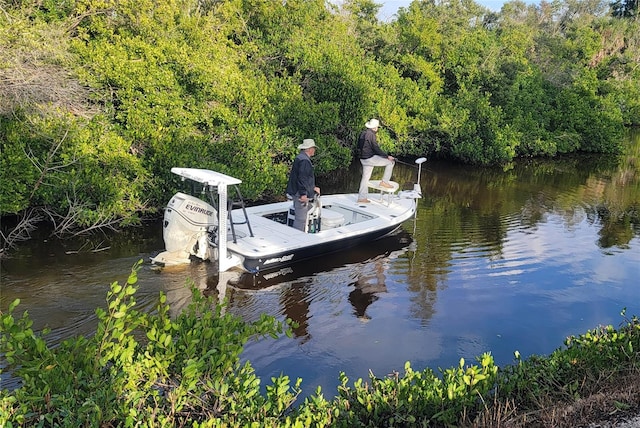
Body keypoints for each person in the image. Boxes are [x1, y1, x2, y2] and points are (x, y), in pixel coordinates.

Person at [357, 118, 395, 203]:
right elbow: (375, 148)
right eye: (377, 127)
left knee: (365, 178)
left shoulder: (363, 133)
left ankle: (361, 198)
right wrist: (386, 156)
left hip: (363, 159)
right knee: (391, 162)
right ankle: (384, 182)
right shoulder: (371, 134)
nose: (377, 129)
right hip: (369, 158)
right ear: (374, 128)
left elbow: (360, 146)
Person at [286, 138, 321, 231]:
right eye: (313, 148)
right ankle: (297, 237)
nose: (314, 150)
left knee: (308, 209)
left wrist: (313, 187)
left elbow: (303, 177)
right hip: (299, 192)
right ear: (309, 149)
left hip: (296, 190)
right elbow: (302, 179)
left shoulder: (300, 157)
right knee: (301, 219)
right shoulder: (305, 161)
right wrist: (303, 194)